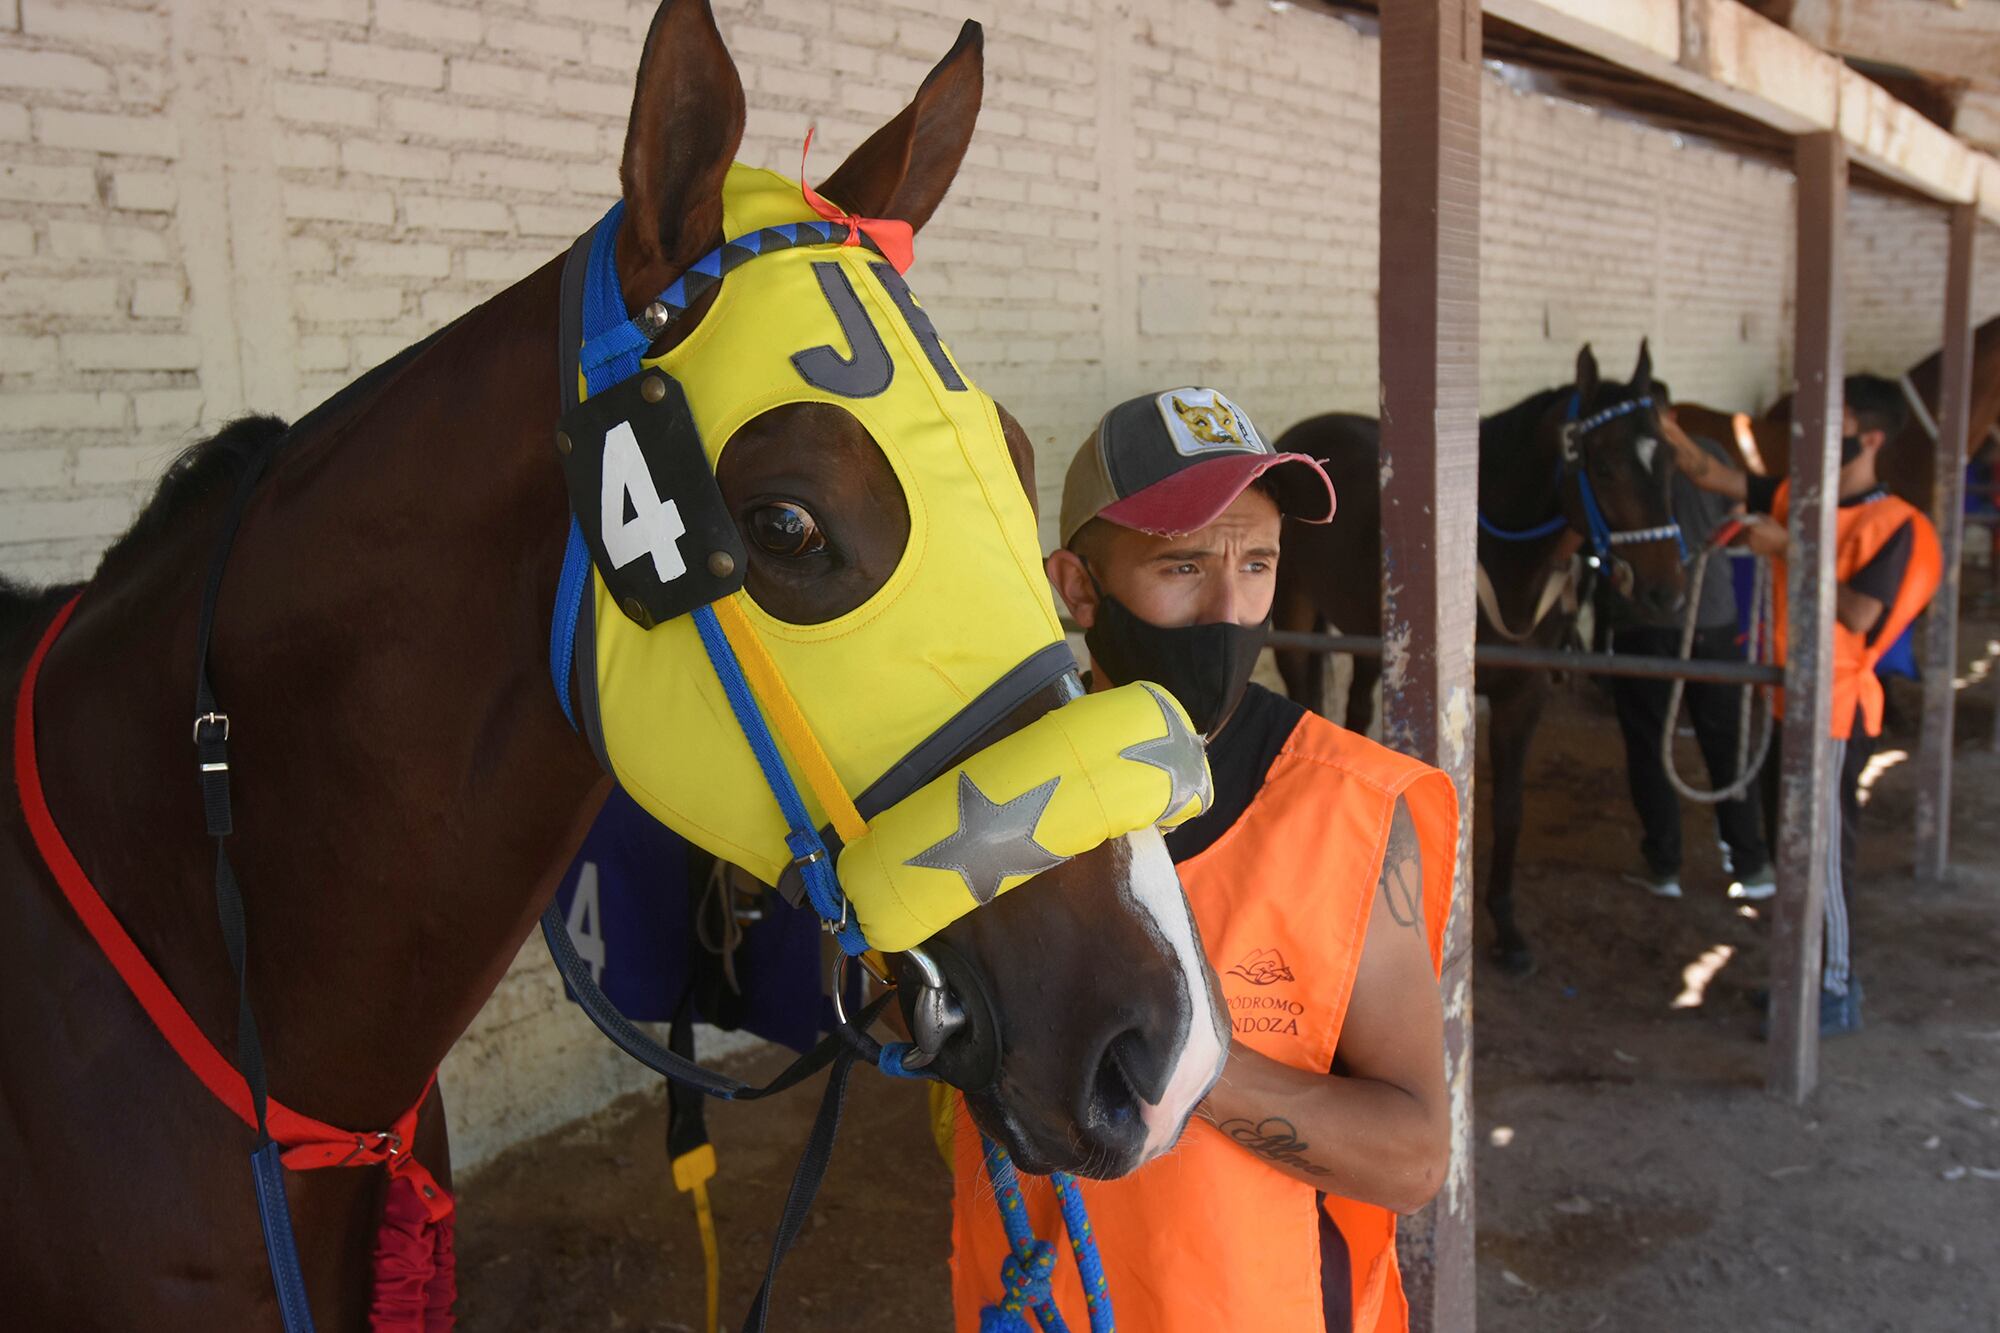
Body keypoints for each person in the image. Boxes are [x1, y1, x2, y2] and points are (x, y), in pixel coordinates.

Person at [948, 387, 1461, 1333]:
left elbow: (1412, 1158)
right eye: (1183, 564)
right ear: (1076, 588)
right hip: (1032, 1307)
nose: (1232, 609)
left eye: (1258, 563)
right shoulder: (994, 802)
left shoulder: (1350, 808)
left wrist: (1182, 1062)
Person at [1661, 374, 1943, 1035]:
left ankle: (1836, 986)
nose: (1809, 432)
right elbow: (1713, 475)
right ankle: (1802, 972)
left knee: (1824, 856)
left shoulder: (1896, 525)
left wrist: (1789, 547)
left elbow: (1858, 612)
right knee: (1793, 850)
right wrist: (1666, 431)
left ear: (1869, 437)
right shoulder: (1800, 499)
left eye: (1831, 421)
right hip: (1789, 702)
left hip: (1839, 711)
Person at [1606, 427, 1773, 901]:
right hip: (1713, 615)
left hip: (1647, 620)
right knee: (1727, 742)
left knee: (1650, 745)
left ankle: (1663, 865)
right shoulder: (1711, 451)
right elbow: (1736, 518)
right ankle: (1751, 862)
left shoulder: (1619, 454)